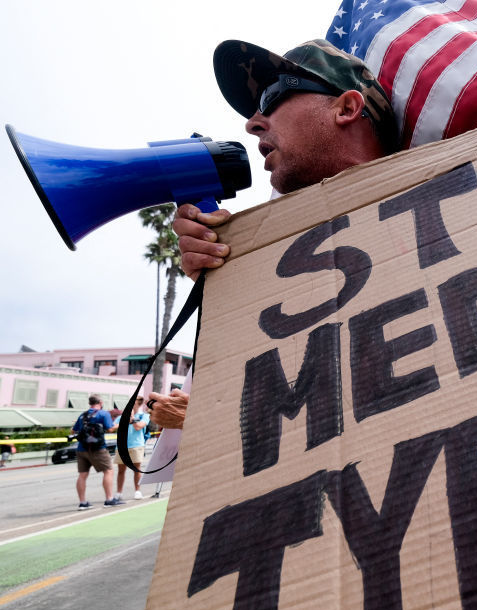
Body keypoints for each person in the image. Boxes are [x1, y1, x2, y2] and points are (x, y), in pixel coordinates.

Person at [148, 38, 398, 431]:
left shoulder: (455, 193)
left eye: (274, 95)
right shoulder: (264, 252)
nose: (252, 123)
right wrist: (226, 287)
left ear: (347, 108)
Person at [72, 395, 123, 509]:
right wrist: (121, 424)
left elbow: (73, 430)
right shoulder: (103, 414)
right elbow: (110, 428)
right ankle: (109, 499)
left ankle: (82, 502)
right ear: (100, 402)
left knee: (82, 475)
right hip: (98, 449)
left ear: (90, 403)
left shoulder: (82, 415)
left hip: (81, 448)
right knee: (108, 471)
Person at [113, 396, 150, 500]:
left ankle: (137, 491)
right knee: (121, 471)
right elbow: (112, 427)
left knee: (137, 470)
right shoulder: (122, 416)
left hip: (136, 446)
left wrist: (132, 418)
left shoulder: (144, 416)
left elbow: (138, 427)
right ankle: (119, 493)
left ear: (139, 404)